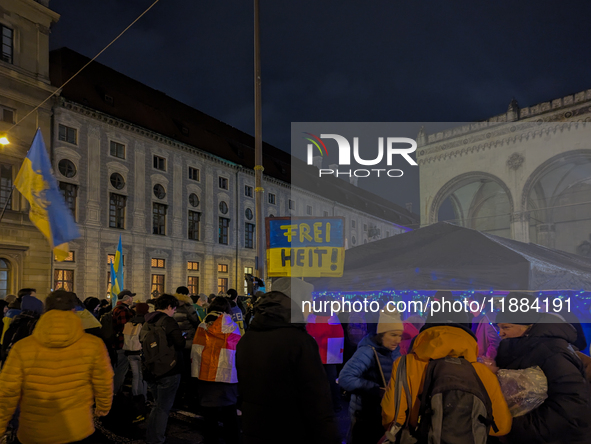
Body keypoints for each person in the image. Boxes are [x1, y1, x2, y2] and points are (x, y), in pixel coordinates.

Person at [381, 293, 512, 440]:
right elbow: (501, 426)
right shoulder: (482, 372)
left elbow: (392, 416)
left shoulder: (405, 364)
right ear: (466, 330)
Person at [0, 289, 113, 444]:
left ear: (46, 309)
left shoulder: (22, 347)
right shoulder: (93, 345)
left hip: (34, 431)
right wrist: (103, 406)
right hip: (76, 428)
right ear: (74, 310)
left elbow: (6, 391)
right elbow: (104, 379)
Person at [236, 278, 340, 444]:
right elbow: (317, 400)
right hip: (292, 432)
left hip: (254, 430)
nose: (312, 306)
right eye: (309, 301)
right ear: (297, 303)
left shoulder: (247, 339)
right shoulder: (300, 342)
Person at [495, 296, 591, 444]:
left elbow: (572, 405)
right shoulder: (519, 348)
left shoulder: (553, 351)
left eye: (506, 327)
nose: (500, 333)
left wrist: (515, 427)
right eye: (499, 328)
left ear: (528, 326)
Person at [339, 311, 403, 444]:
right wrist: (376, 389)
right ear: (381, 334)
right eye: (393, 335)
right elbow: (345, 378)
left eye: (399, 335)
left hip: (383, 413)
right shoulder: (367, 351)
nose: (397, 340)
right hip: (365, 414)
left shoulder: (394, 351)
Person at [192, 296, 241, 443]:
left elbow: (195, 352)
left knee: (209, 419)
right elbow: (237, 352)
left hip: (206, 377)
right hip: (227, 377)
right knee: (230, 416)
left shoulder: (202, 327)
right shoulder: (232, 327)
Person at [142, 293, 185, 444]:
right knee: (163, 408)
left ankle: (152, 436)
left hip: (150, 368)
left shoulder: (147, 321)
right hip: (168, 369)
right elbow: (180, 344)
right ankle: (156, 439)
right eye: (174, 308)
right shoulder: (168, 321)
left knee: (157, 405)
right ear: (169, 307)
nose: (174, 311)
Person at [306, 301, 345, 413]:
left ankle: (317, 404)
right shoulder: (333, 318)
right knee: (332, 380)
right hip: (330, 355)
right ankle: (336, 404)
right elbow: (339, 334)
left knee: (315, 380)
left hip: (315, 356)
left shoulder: (310, 319)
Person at [1, 294, 44, 365]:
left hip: (11, 361)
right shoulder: (34, 323)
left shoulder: (16, 320)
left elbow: (6, 341)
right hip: (27, 362)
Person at [112, 289, 135, 394]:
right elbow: (125, 329)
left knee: (117, 368)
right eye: (131, 297)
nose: (132, 299)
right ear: (127, 298)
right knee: (121, 370)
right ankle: (114, 393)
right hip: (122, 344)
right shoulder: (123, 311)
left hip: (116, 343)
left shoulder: (116, 309)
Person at [466, 294, 501, 360]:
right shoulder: (478, 319)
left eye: (473, 307)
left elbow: (495, 342)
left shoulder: (489, 319)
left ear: (482, 306)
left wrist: (488, 359)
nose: (470, 311)